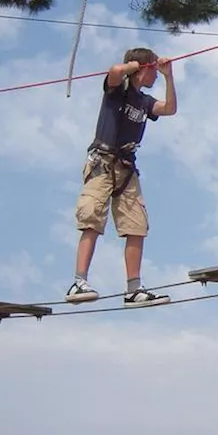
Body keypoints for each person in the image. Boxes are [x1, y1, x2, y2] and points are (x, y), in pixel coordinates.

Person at [66, 47, 177, 308]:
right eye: (154, 73)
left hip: (126, 167)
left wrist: (169, 76)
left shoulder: (144, 101)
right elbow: (115, 71)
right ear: (143, 68)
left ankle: (133, 288)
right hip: (103, 163)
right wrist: (137, 66)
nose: (156, 78)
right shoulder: (118, 90)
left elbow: (170, 108)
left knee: (136, 226)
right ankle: (79, 281)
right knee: (91, 217)